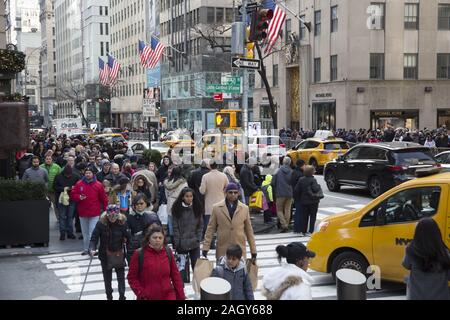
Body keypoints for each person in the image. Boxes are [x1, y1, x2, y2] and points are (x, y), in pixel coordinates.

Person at [127, 226, 186, 300]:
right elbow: (132, 278)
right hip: (148, 297)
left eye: (160, 238)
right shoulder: (139, 254)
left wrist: (181, 296)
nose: (157, 240)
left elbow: (175, 276)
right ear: (149, 238)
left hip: (168, 295)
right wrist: (141, 293)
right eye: (154, 237)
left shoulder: (168, 252)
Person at [202, 183, 257, 261]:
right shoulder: (217, 208)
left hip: (239, 248)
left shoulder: (244, 208)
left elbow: (249, 231)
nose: (233, 194)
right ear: (225, 193)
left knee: (239, 272)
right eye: (230, 192)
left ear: (238, 193)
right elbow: (210, 229)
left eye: (235, 192)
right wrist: (205, 248)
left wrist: (253, 250)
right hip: (223, 249)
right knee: (222, 272)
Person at [89, 205, 130, 300]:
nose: (112, 218)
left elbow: (129, 238)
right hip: (105, 256)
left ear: (118, 215)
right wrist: (92, 248)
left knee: (121, 278)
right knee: (107, 279)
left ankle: (122, 296)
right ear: (106, 215)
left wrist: (130, 253)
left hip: (118, 254)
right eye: (110, 216)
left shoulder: (122, 223)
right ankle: (109, 296)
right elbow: (94, 238)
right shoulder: (100, 224)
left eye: (115, 216)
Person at [402, 218, 450, 300]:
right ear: (437, 233)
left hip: (417, 296)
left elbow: (406, 265)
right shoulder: (444, 253)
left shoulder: (411, 250)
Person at [71, 167, 108, 255]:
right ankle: (86, 249)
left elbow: (104, 199)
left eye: (89, 173)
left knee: (92, 232)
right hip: (83, 212)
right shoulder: (79, 184)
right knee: (85, 233)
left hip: (94, 212)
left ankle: (93, 249)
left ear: (93, 174)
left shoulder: (98, 185)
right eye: (86, 173)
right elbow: (73, 195)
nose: (88, 174)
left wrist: (106, 210)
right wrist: (79, 197)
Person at [172, 187, 203, 271]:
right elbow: (175, 227)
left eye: (191, 196)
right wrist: (177, 242)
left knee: (196, 268)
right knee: (182, 270)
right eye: (187, 196)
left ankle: (196, 284)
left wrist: (198, 238)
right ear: (182, 197)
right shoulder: (176, 209)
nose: (189, 198)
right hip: (182, 244)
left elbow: (200, 226)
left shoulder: (197, 208)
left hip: (194, 243)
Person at [126, 193, 161, 263]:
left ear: (146, 203)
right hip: (136, 246)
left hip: (151, 245)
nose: (139, 205)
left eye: (141, 203)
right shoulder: (130, 217)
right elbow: (128, 234)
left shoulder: (152, 215)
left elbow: (159, 231)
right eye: (137, 204)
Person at [199, 160, 229, 239]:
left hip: (209, 204)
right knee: (221, 224)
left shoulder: (205, 176)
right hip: (221, 202)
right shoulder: (223, 176)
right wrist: (223, 193)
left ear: (209, 166)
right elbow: (228, 187)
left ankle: (211, 242)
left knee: (209, 225)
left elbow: (202, 191)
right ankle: (222, 240)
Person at [294, 165, 322, 236]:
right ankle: (311, 231)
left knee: (304, 217)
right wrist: (318, 186)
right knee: (313, 216)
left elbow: (296, 190)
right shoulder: (313, 180)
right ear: (312, 172)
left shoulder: (301, 180)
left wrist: (299, 198)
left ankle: (303, 231)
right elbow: (316, 189)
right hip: (314, 202)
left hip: (304, 202)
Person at [54, 165, 80, 240]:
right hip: (62, 199)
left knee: (70, 216)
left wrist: (72, 188)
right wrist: (64, 188)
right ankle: (63, 233)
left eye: (69, 175)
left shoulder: (75, 176)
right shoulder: (58, 176)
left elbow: (78, 186)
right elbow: (55, 187)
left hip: (71, 199)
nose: (68, 176)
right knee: (63, 216)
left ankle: (69, 232)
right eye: (67, 175)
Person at [164, 166, 188, 243]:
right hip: (179, 202)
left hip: (170, 201)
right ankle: (180, 237)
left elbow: (166, 194)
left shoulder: (168, 182)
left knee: (171, 221)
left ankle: (172, 238)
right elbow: (186, 193)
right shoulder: (184, 182)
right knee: (180, 221)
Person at [271, 157, 293, 233]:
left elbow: (273, 183)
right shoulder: (291, 171)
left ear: (283, 162)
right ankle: (286, 224)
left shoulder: (278, 171)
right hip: (289, 193)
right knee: (287, 209)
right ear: (290, 163)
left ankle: (284, 225)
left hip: (280, 193)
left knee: (279, 210)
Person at [41, 153, 62, 220]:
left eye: (49, 159)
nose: (48, 160)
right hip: (44, 190)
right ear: (45, 160)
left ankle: (59, 218)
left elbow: (60, 177)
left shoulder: (57, 167)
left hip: (53, 190)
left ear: (52, 160)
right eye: (47, 159)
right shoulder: (41, 167)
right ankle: (42, 218)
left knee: (56, 205)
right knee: (43, 205)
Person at [292, 159, 306, 234]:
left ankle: (296, 228)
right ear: (301, 165)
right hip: (300, 196)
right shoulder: (300, 174)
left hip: (295, 195)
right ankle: (298, 228)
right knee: (300, 213)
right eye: (304, 165)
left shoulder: (294, 172)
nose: (305, 166)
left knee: (298, 212)